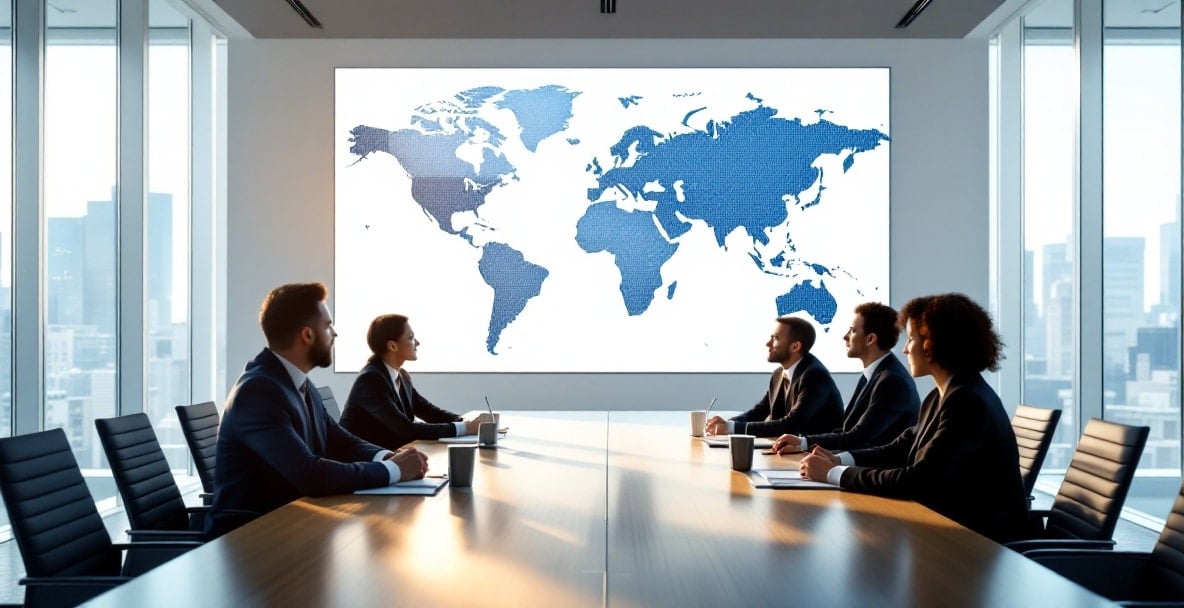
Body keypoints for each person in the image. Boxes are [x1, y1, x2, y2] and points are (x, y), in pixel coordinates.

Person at [798, 293, 1029, 544]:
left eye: (910, 339)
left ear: (933, 343)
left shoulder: (968, 402)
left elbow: (917, 480)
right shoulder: (942, 395)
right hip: (948, 526)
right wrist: (838, 459)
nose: (906, 349)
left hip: (979, 541)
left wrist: (835, 473)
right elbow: (901, 447)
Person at [207, 283, 429, 538]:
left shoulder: (298, 383)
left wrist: (387, 457)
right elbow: (309, 474)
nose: (335, 334)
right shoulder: (258, 391)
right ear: (307, 335)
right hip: (250, 540)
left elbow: (341, 441)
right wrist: (395, 470)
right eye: (328, 325)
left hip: (294, 525)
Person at [770, 302, 920, 454]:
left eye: (852, 331)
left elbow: (858, 437)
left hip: (874, 470)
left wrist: (804, 443)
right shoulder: (875, 374)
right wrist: (802, 443)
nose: (845, 337)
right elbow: (847, 431)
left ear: (870, 339)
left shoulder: (892, 381)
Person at [340, 314, 481, 449]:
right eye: (411, 337)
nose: (417, 343)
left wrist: (464, 421)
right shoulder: (371, 380)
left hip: (393, 453)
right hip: (363, 463)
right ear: (393, 346)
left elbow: (429, 412)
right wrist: (465, 428)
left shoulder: (402, 376)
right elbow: (406, 429)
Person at [706, 316, 843, 438]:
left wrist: (732, 428)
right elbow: (760, 412)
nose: (768, 343)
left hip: (818, 456)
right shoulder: (778, 374)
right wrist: (729, 423)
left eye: (775, 338)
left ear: (795, 346)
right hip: (788, 453)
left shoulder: (814, 375)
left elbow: (792, 424)